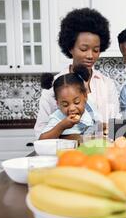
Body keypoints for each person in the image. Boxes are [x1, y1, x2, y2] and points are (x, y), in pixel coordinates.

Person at [34, 8, 119, 138]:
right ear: (70, 47)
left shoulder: (107, 84)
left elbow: (114, 126)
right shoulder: (54, 86)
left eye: (96, 50)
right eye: (84, 49)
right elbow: (40, 135)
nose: (90, 55)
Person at [39, 65, 100, 140]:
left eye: (76, 102)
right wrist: (61, 127)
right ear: (58, 104)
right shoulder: (57, 118)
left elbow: (98, 122)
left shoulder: (89, 107)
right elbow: (42, 139)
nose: (72, 108)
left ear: (85, 96)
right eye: (65, 105)